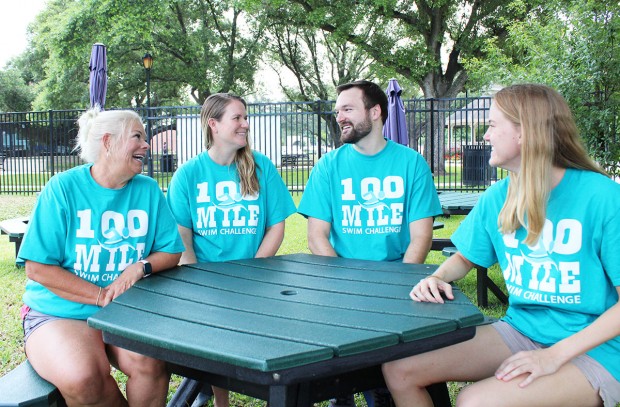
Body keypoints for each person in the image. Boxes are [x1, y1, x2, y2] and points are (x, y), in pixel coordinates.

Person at [382, 83, 620, 407]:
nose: (485, 136)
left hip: (595, 349)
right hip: (522, 331)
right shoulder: (497, 197)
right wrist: (438, 278)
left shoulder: (602, 197)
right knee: (400, 369)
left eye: (492, 125)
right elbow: (465, 257)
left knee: (476, 401)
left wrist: (552, 357)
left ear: (524, 132)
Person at [18, 108, 185, 406]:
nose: (147, 145)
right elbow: (38, 268)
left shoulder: (147, 190)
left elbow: (171, 250)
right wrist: (101, 296)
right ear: (108, 142)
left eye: (145, 138)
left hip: (126, 308)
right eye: (137, 136)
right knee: (84, 379)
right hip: (60, 311)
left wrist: (140, 267)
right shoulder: (63, 188)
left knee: (152, 363)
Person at [297, 80, 442, 406]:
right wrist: (344, 286)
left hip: (397, 283)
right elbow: (316, 236)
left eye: (348, 109)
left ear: (376, 112)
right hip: (343, 287)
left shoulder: (411, 163)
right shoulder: (328, 166)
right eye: (338, 111)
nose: (340, 117)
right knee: (336, 376)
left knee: (388, 381)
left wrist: (399, 287)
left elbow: (421, 236)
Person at [166, 93, 297, 407]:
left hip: (256, 278)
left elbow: (276, 225)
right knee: (213, 342)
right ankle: (216, 398)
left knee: (267, 345)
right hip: (206, 280)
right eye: (237, 118)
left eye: (245, 117)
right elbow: (182, 237)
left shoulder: (260, 167)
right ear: (213, 124)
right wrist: (197, 279)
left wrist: (256, 268)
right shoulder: (189, 174)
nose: (245, 124)